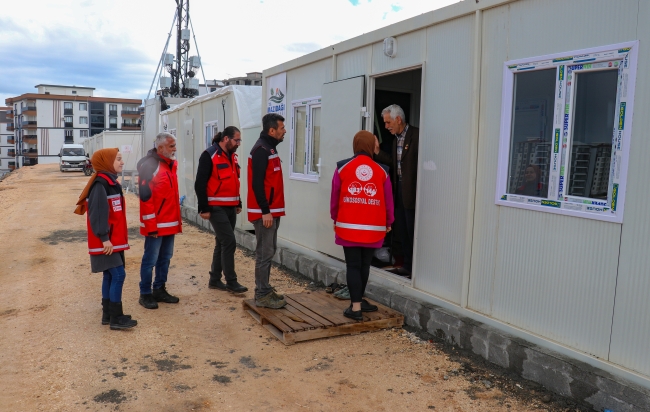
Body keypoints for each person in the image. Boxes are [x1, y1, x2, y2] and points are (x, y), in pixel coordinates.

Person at [331, 131, 394, 321]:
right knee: (365, 265)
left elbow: (335, 198)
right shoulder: (382, 171)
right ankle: (358, 301)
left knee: (353, 265)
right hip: (373, 229)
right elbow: (388, 202)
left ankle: (356, 306)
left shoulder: (342, 168)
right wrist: (388, 223)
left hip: (347, 227)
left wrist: (335, 219)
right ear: (369, 146)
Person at [74, 148, 137, 330]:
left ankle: (108, 315)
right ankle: (116, 318)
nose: (122, 162)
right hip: (106, 242)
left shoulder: (110, 183)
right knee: (118, 274)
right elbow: (98, 215)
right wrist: (104, 238)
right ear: (107, 162)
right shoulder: (100, 185)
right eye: (118, 159)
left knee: (110, 275)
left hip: (112, 240)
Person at [194, 126, 248, 293]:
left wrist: (238, 202)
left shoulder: (233, 157)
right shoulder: (209, 155)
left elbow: (234, 181)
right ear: (226, 139)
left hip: (230, 207)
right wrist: (203, 208)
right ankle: (231, 281)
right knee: (229, 241)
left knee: (221, 242)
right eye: (236, 140)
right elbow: (200, 183)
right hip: (215, 206)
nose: (239, 143)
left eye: (239, 140)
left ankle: (215, 279)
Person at [137, 132, 182, 309]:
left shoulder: (170, 165)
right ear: (160, 147)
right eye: (171, 146)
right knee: (150, 259)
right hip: (156, 225)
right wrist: (151, 225)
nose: (174, 149)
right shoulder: (150, 166)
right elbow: (146, 198)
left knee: (165, 258)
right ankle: (145, 293)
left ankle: (159, 289)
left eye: (174, 145)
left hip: (169, 223)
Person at [374, 104, 419, 275]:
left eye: (388, 122)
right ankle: (406, 265)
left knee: (412, 229)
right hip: (399, 191)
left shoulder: (417, 135)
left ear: (398, 119)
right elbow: (394, 163)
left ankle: (414, 268)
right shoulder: (395, 140)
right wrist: (377, 151)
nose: (386, 127)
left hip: (413, 193)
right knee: (402, 229)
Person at [248, 113, 287, 309]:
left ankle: (265, 289)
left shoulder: (269, 148)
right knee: (264, 253)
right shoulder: (261, 150)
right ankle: (262, 294)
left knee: (269, 251)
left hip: (272, 210)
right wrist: (265, 211)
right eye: (281, 128)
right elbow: (257, 183)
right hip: (265, 212)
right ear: (271, 130)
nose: (284, 131)